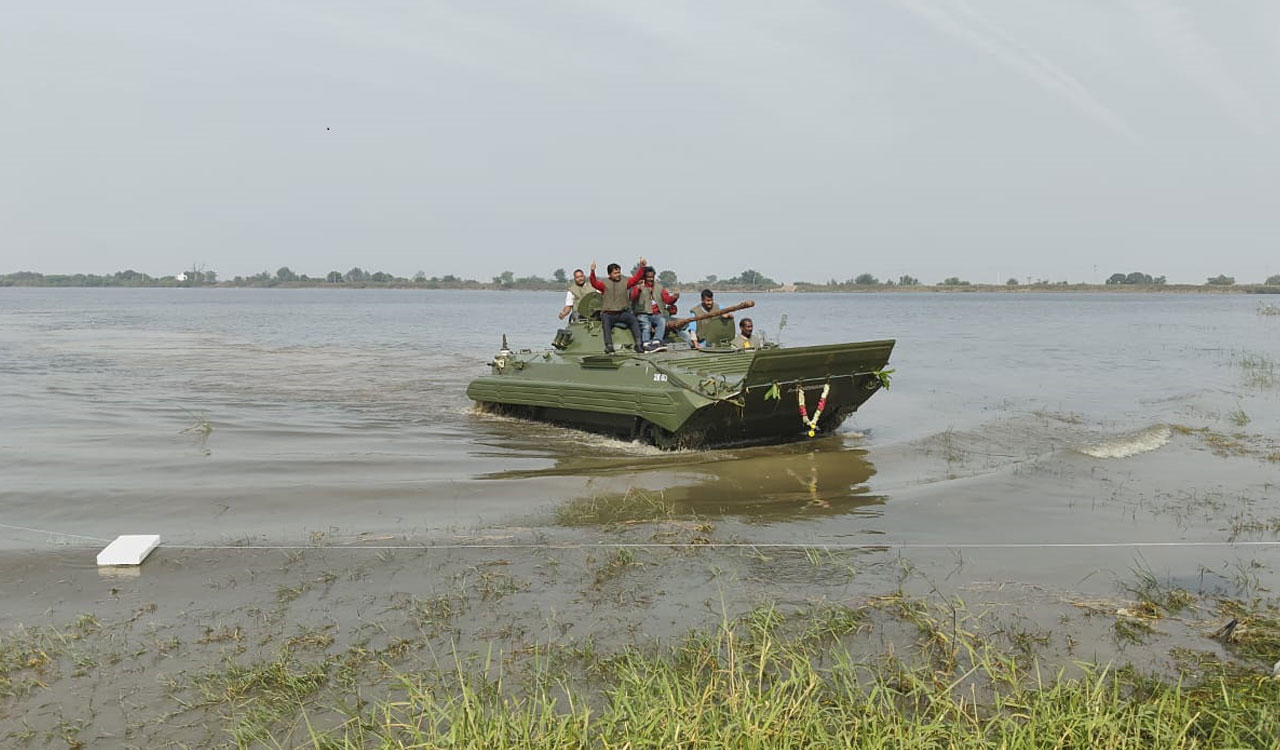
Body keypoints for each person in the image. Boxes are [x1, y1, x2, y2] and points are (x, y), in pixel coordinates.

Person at [588, 258, 645, 354]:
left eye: (618, 272)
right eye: (615, 273)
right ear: (610, 274)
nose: (618, 275)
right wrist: (592, 271)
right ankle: (609, 345)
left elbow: (636, 278)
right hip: (608, 314)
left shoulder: (625, 282)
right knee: (606, 325)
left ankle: (638, 344)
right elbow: (594, 282)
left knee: (633, 320)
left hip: (622, 312)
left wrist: (642, 267)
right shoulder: (604, 284)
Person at [630, 266, 679, 352]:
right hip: (643, 313)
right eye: (648, 277)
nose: (651, 279)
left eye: (652, 277)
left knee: (662, 321)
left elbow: (667, 300)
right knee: (646, 326)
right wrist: (638, 289)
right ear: (644, 277)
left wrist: (674, 298)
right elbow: (632, 297)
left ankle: (657, 341)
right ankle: (646, 343)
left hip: (656, 314)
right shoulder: (638, 287)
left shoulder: (659, 288)